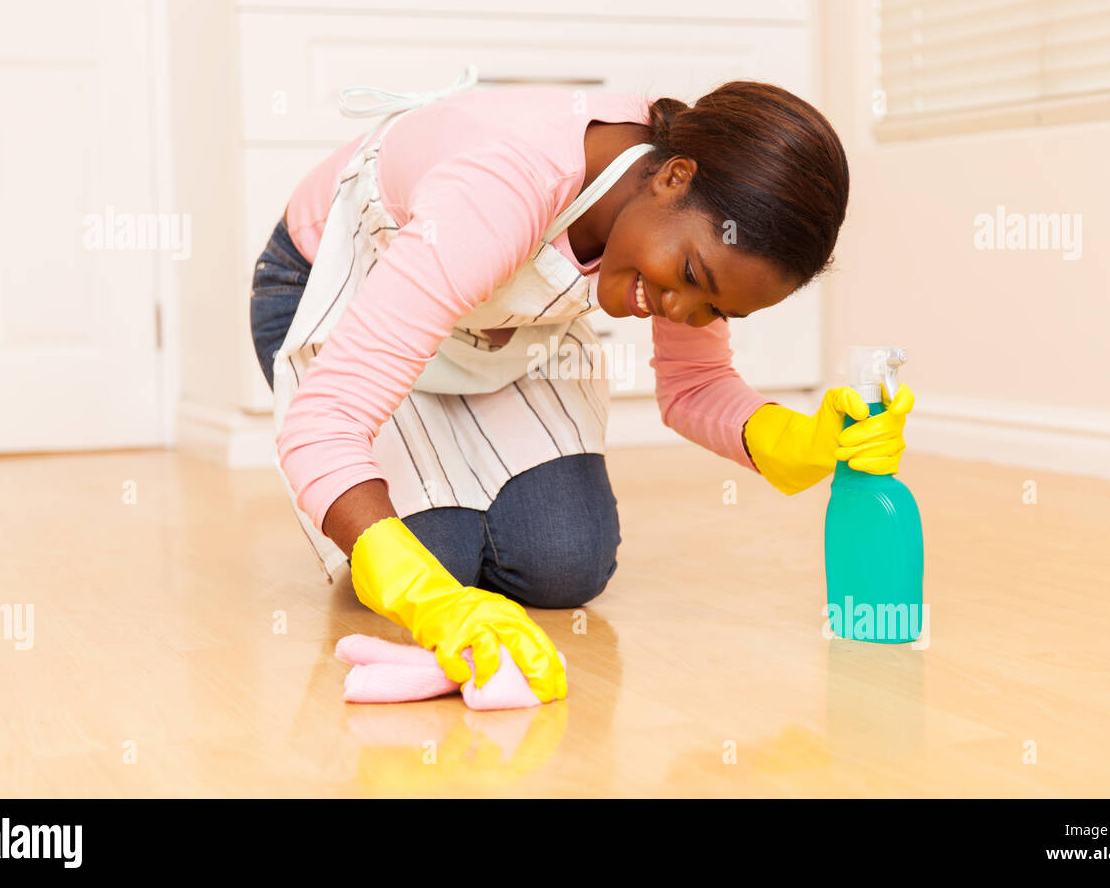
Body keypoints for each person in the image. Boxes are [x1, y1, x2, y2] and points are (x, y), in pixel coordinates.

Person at [248, 76, 913, 705]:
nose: (680, 310)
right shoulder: (502, 188)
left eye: (717, 310)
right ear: (674, 178)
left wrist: (801, 437)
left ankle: (446, 502)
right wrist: (421, 590)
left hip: (488, 337)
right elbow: (325, 421)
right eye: (689, 274)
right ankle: (426, 525)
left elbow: (694, 383)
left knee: (565, 564)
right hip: (337, 293)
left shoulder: (687, 222)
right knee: (433, 560)